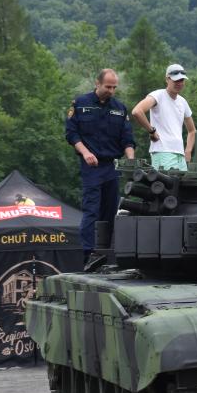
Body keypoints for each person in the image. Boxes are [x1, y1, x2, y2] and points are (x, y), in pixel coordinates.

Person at [65, 69, 135, 257]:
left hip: (111, 166)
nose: (111, 91)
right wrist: (86, 152)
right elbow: (71, 134)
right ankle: (89, 253)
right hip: (91, 166)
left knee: (111, 211)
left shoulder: (120, 108)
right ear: (97, 83)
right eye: (108, 86)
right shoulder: (80, 104)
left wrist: (131, 161)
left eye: (114, 87)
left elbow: (127, 139)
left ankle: (105, 252)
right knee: (91, 210)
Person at [131, 63, 196, 171]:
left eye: (181, 80)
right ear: (167, 79)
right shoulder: (158, 95)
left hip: (180, 155)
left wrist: (188, 151)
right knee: (166, 186)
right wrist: (151, 131)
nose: (179, 83)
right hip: (162, 151)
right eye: (175, 80)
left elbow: (192, 131)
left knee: (182, 187)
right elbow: (137, 111)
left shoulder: (182, 101)